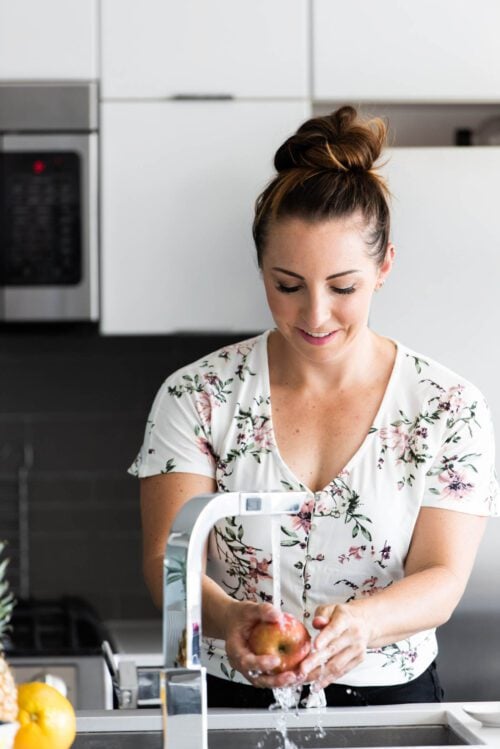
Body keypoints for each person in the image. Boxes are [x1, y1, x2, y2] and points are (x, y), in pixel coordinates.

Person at [129, 106, 499, 708]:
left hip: (394, 705)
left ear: (384, 268)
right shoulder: (196, 397)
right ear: (261, 270)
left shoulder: (448, 406)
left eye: (343, 287)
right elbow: (165, 563)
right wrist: (228, 619)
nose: (316, 315)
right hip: (232, 700)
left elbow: (443, 577)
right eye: (288, 285)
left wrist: (365, 624)